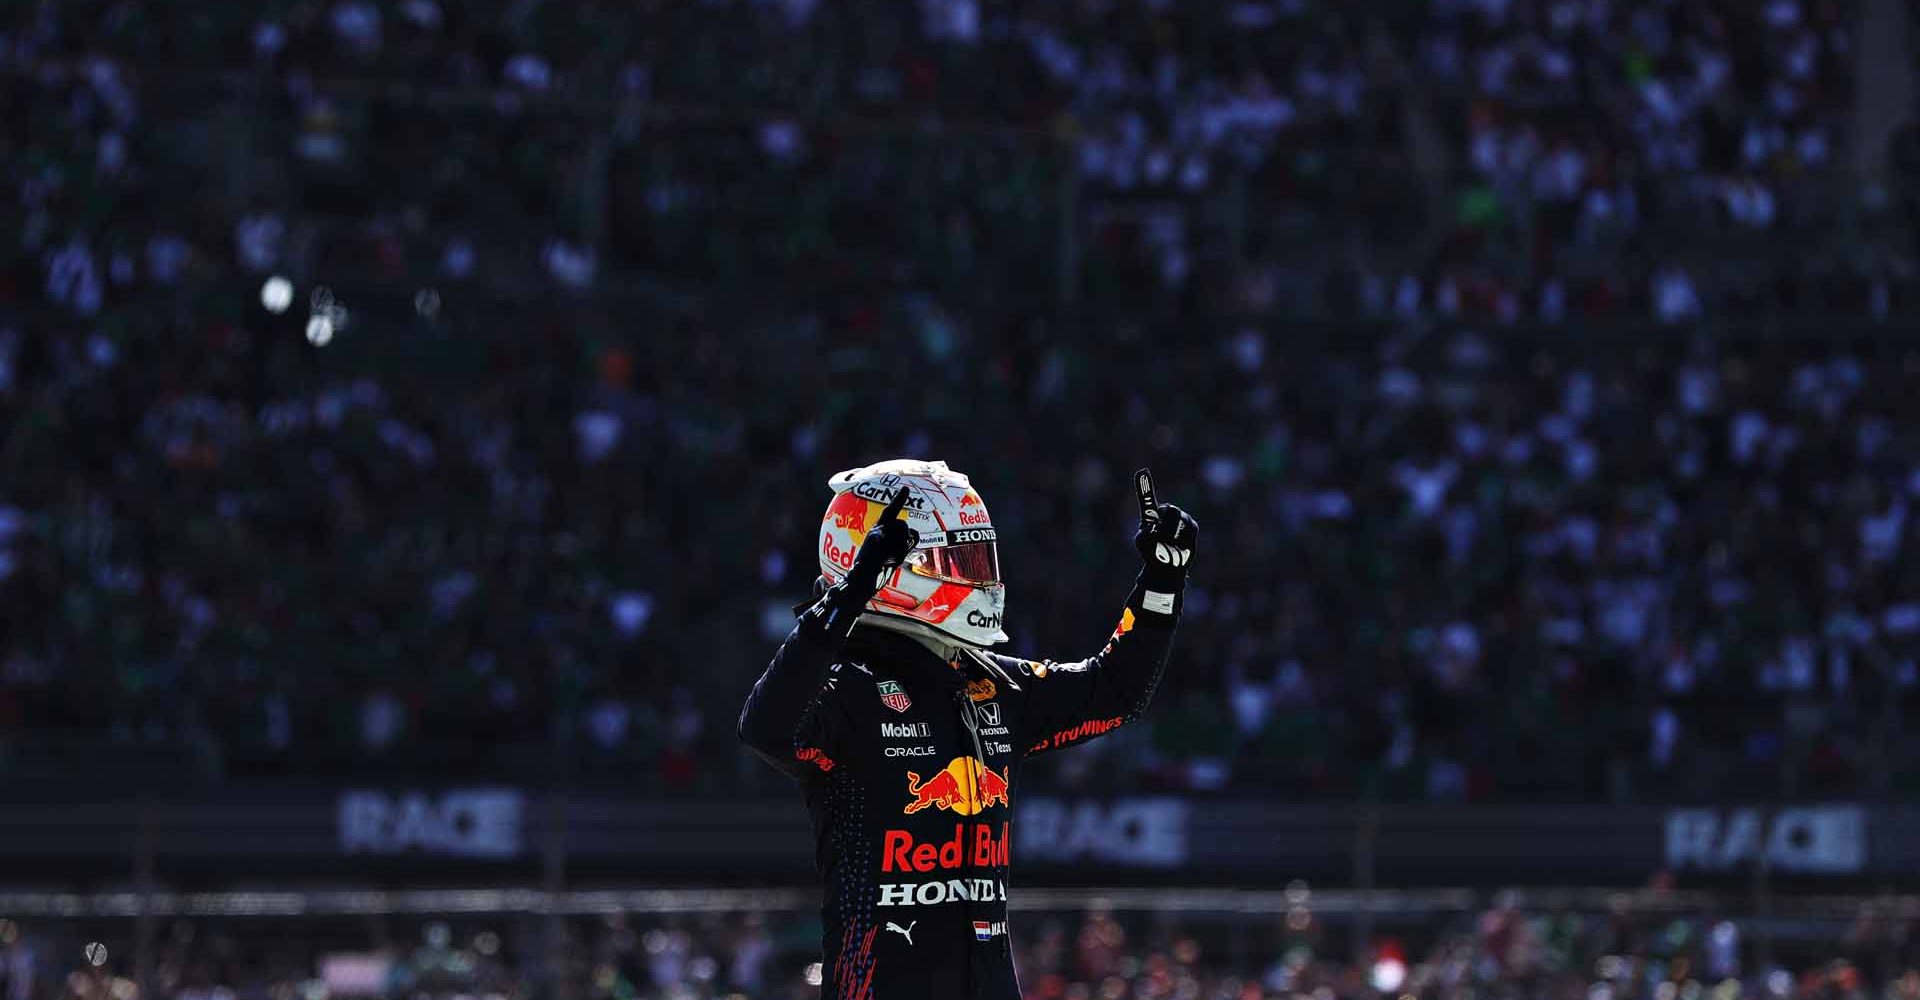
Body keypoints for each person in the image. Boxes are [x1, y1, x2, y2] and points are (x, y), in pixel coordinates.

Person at [738, 459, 1197, 999]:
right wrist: (847, 595)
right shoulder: (849, 689)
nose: (979, 573)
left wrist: (1162, 580)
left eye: (980, 555)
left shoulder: (995, 684)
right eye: (960, 558)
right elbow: (766, 729)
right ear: (889, 565)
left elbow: (1117, 693)